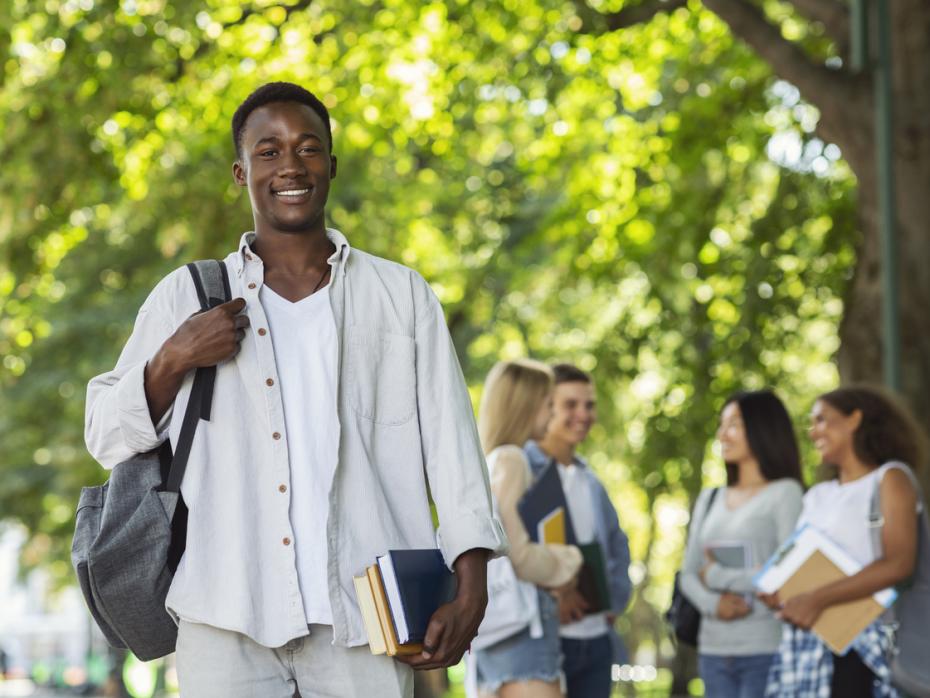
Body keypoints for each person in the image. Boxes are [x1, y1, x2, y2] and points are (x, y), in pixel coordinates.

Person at [84, 82, 507, 698]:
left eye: (308, 149)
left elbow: (453, 449)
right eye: (269, 151)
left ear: (331, 166)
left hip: (367, 615)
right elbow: (103, 433)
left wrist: (472, 585)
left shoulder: (400, 296)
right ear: (240, 171)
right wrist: (173, 357)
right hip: (224, 612)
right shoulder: (187, 295)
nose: (290, 166)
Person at [763, 385, 927, 697]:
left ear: (855, 419)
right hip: (812, 647)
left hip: (870, 643)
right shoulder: (818, 495)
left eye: (822, 420)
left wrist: (817, 598)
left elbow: (899, 563)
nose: (813, 432)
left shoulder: (890, 478)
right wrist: (779, 590)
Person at [680, 390, 804, 698]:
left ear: (762, 429)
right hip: (713, 652)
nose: (723, 434)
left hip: (765, 649)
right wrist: (714, 604)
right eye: (722, 425)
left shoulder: (786, 493)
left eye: (734, 424)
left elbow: (789, 573)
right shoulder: (710, 498)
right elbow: (688, 573)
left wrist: (716, 575)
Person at [472, 359, 584, 698]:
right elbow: (515, 552)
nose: (552, 415)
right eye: (548, 404)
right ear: (526, 406)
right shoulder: (512, 459)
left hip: (497, 634)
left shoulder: (488, 461)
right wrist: (567, 561)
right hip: (523, 636)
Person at [523, 363, 632, 698]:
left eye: (589, 405)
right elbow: (510, 553)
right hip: (544, 643)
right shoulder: (520, 471)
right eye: (571, 404)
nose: (583, 414)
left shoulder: (590, 482)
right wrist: (555, 598)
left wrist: (612, 603)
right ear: (545, 406)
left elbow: (617, 546)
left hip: (597, 642)